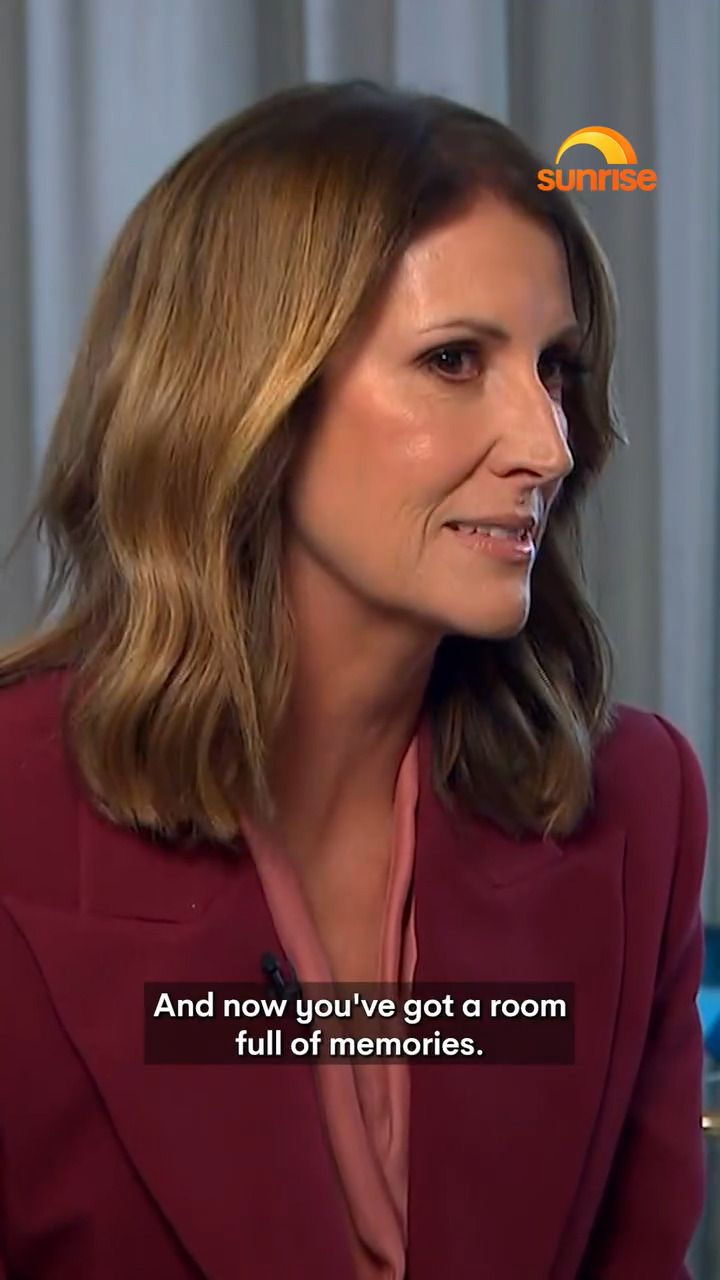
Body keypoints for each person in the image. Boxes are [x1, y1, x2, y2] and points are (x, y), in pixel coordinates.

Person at [0, 78, 707, 1280]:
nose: (547, 443)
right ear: (245, 397)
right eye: (453, 360)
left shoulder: (639, 802)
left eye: (554, 367)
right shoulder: (15, 810)